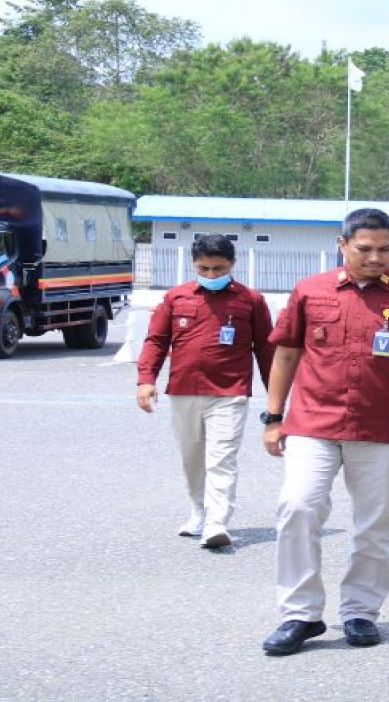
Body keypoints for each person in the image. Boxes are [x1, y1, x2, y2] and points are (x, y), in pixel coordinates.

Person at [260, 208, 389, 656]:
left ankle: (361, 612)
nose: (375, 257)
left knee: (374, 523)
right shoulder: (311, 291)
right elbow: (287, 354)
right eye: (365, 249)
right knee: (297, 506)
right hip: (314, 421)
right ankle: (300, 613)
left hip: (384, 426)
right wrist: (273, 417)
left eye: (385, 249)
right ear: (342, 245)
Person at [136, 233, 274, 550]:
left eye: (218, 268)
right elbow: (156, 341)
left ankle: (216, 522)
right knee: (192, 457)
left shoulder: (250, 300)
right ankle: (198, 511)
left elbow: (266, 351)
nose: (211, 275)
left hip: (230, 392)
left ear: (233, 264)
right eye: (204, 269)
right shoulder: (176, 298)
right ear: (194, 266)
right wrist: (146, 380)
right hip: (184, 391)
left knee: (221, 458)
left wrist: (275, 398)